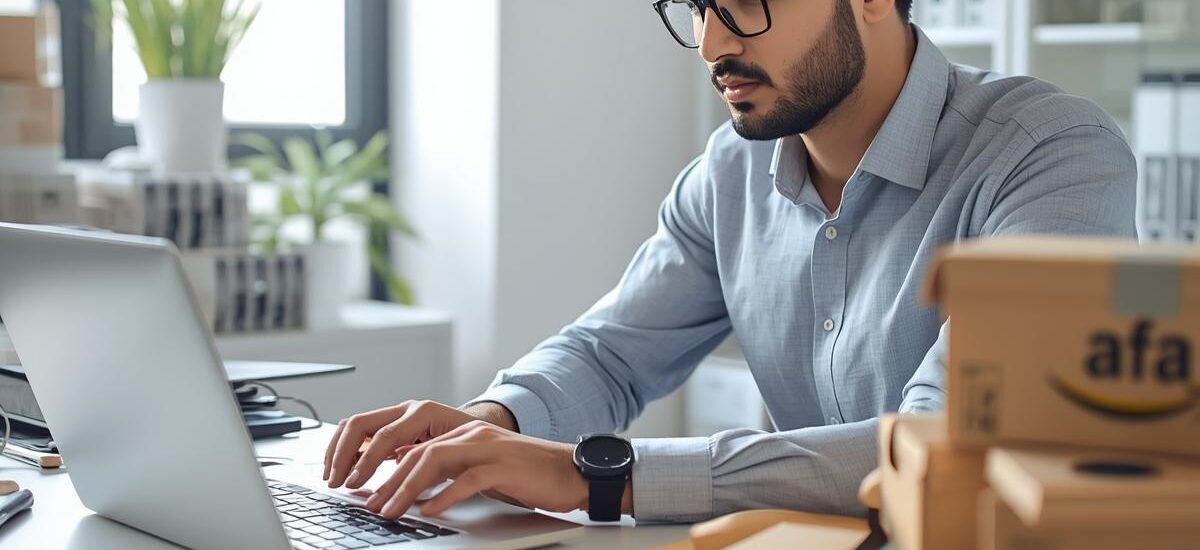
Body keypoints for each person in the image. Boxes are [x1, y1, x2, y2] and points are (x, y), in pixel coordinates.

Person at [324, 0, 1137, 523]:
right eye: (697, 6)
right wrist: (495, 420)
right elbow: (611, 351)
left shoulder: (1051, 155)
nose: (712, 43)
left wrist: (598, 475)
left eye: (746, 3)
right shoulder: (730, 172)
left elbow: (939, 444)